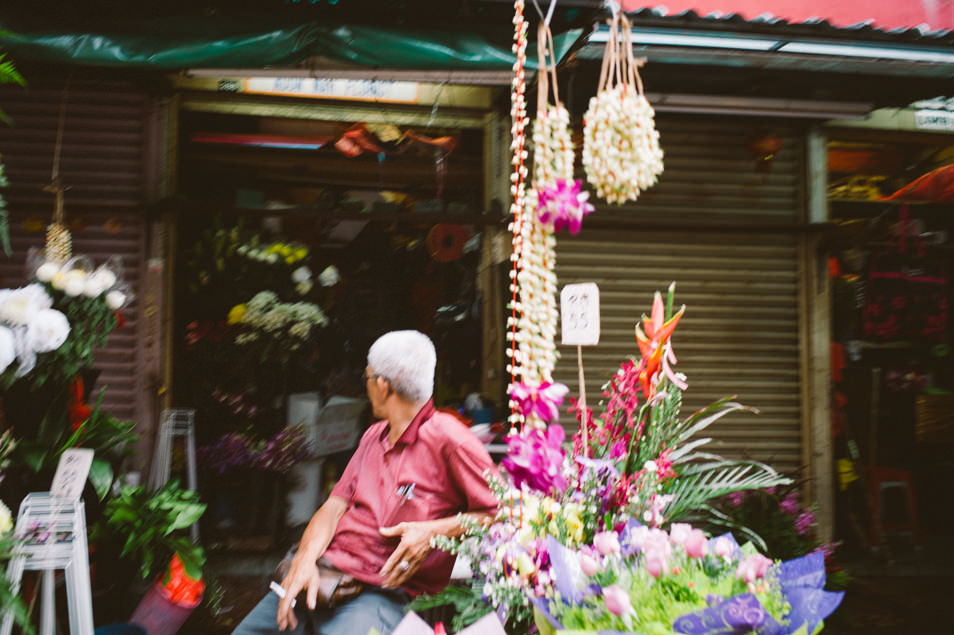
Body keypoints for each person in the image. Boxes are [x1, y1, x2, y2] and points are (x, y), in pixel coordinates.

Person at [232, 330, 499, 635]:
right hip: (326, 574)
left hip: (383, 593)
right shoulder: (374, 435)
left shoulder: (450, 438)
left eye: (367, 377)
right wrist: (305, 560)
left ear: (383, 386)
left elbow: (499, 512)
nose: (366, 384)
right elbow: (334, 507)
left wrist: (432, 532)